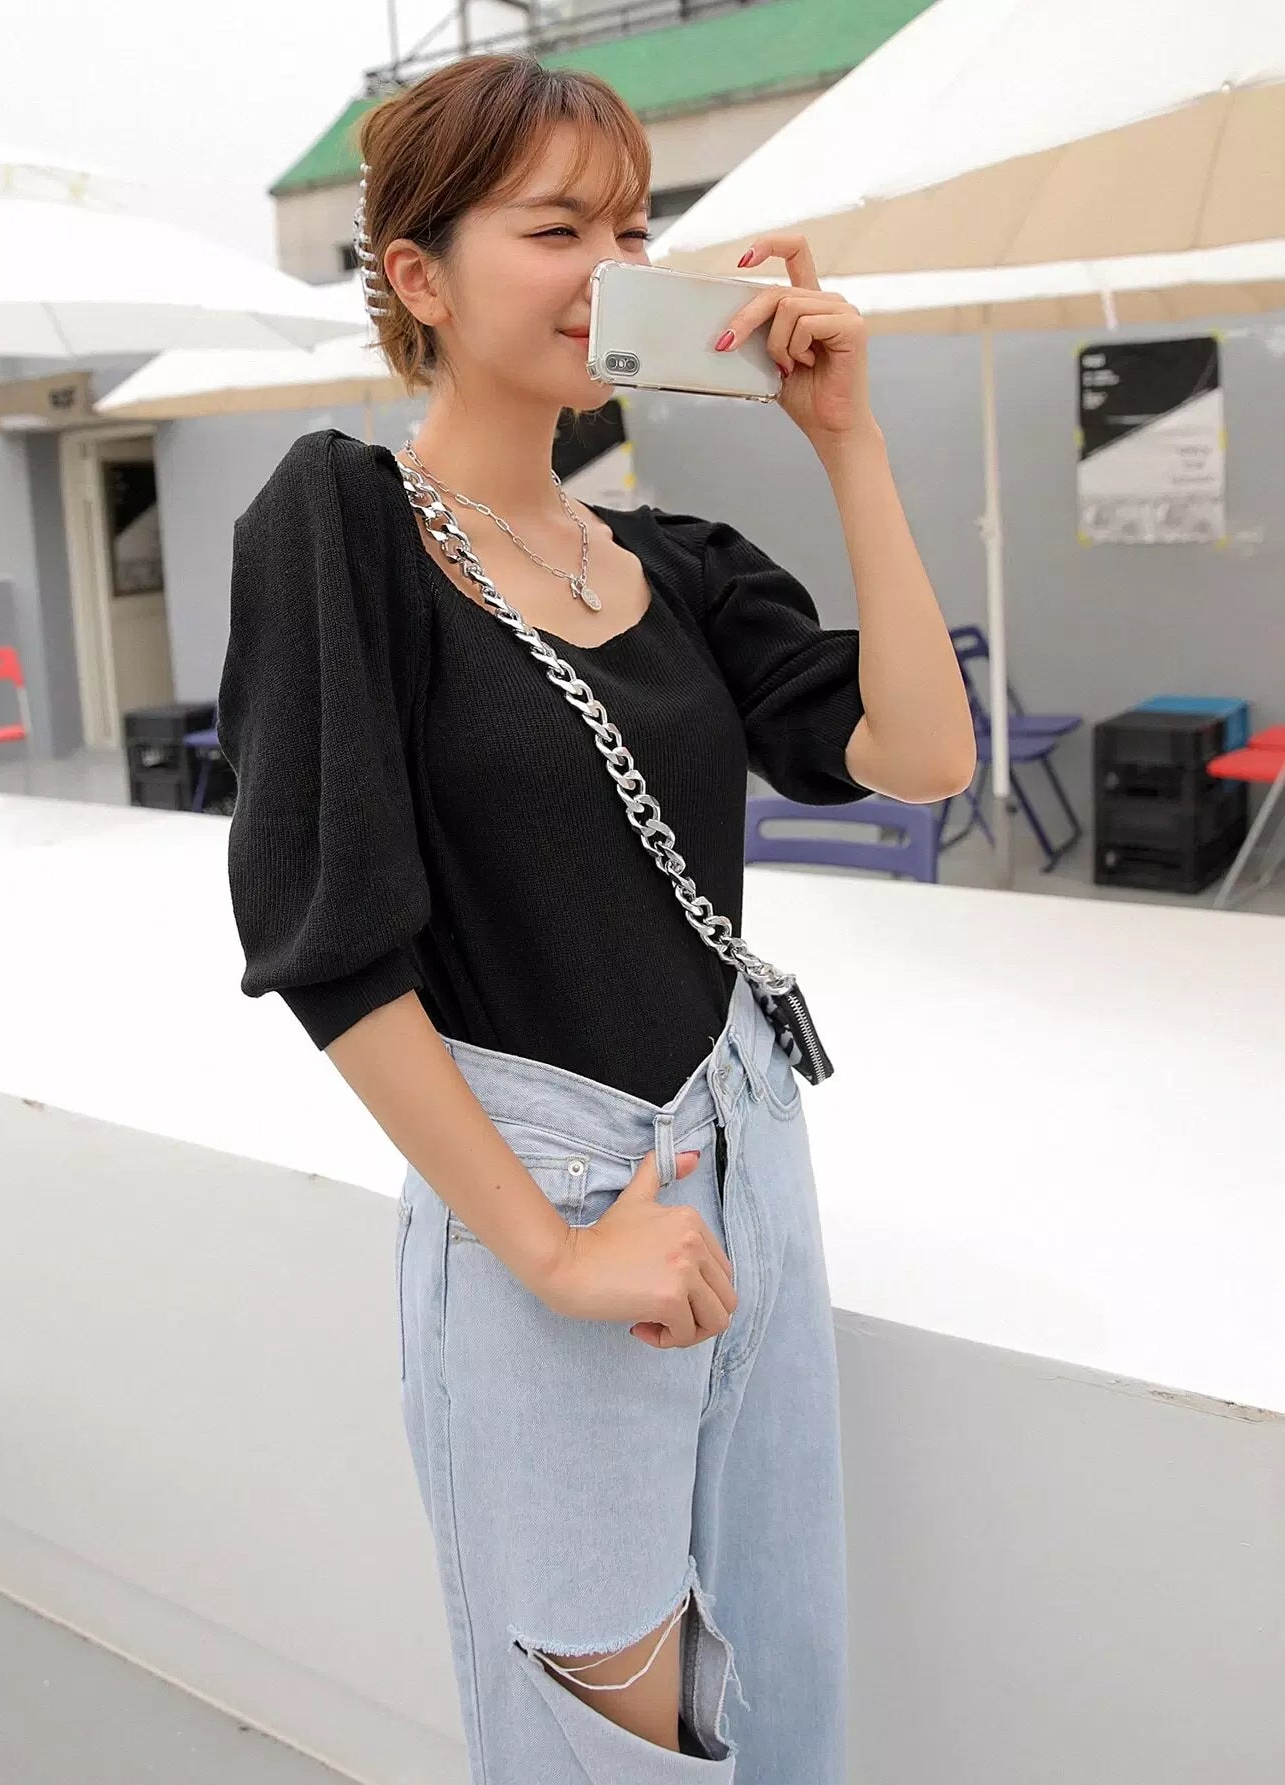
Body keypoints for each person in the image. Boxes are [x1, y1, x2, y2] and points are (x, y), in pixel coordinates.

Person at [217, 51, 974, 1785]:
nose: (611, 268)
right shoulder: (341, 521)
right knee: (608, 1742)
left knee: (779, 1688)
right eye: (557, 228)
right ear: (420, 277)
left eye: (632, 230)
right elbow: (329, 940)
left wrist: (847, 440)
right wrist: (552, 1254)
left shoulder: (679, 561)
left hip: (750, 1155)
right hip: (550, 1204)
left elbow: (921, 756)